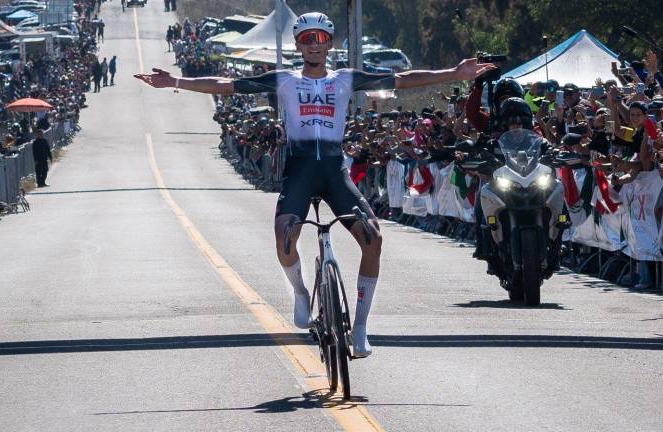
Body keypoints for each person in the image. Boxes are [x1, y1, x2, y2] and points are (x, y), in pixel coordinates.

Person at [135, 12, 495, 358]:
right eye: (307, 38)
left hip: (335, 173)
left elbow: (402, 79)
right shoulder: (284, 80)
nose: (314, 44)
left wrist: (453, 73)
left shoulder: (346, 78)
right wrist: (176, 82)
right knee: (284, 237)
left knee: (373, 238)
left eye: (321, 38)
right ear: (298, 45)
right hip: (300, 173)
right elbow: (225, 86)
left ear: (330, 43)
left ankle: (360, 328)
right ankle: (300, 292)